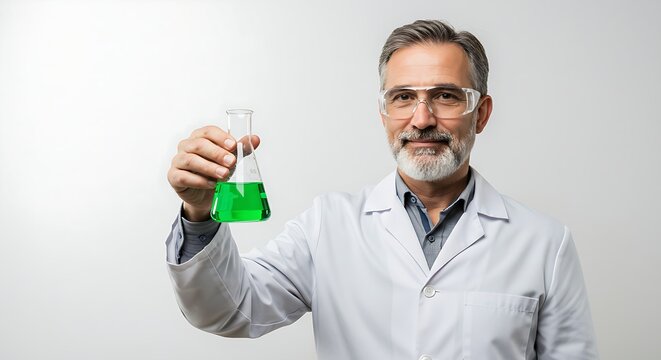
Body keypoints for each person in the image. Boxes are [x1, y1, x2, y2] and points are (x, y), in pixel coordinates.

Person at [165, 19, 598, 359]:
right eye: (403, 97)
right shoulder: (327, 226)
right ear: (383, 112)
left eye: (446, 96)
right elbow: (227, 311)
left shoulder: (545, 244)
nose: (422, 118)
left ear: (480, 114)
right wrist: (198, 214)